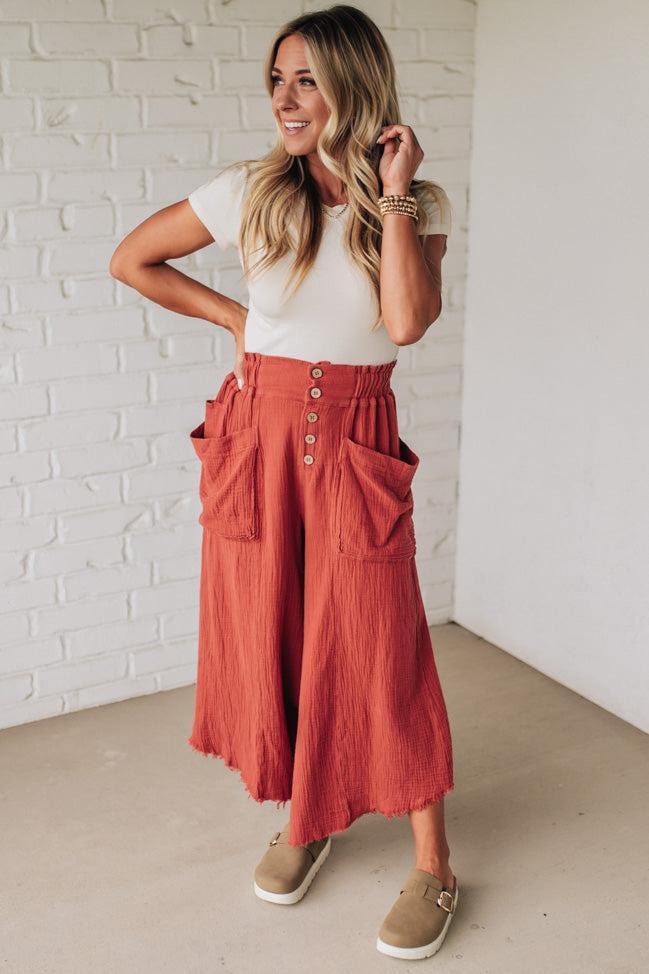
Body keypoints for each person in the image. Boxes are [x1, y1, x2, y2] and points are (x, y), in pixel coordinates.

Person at [109, 4, 458, 961]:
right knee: (280, 633)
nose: (285, 97)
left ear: (356, 82)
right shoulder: (247, 192)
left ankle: (433, 865)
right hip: (254, 433)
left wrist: (388, 194)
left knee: (378, 645)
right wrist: (235, 324)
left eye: (306, 78)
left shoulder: (415, 203)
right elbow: (132, 260)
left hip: (352, 440)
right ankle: (311, 817)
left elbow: (405, 324)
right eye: (277, 78)